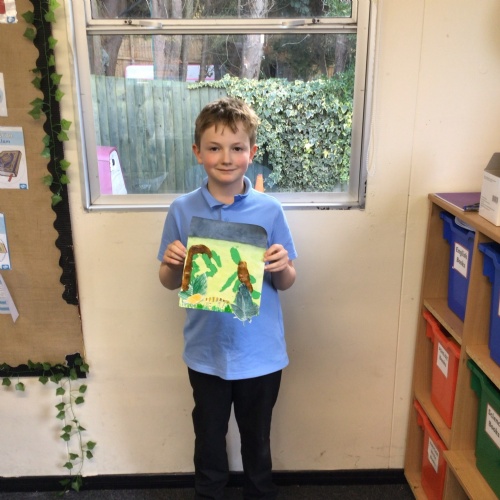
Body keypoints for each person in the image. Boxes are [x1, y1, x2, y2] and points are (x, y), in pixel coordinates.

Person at [158, 97, 297, 500]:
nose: (226, 158)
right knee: (208, 439)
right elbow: (169, 281)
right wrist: (171, 263)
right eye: (214, 148)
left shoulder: (270, 211)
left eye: (237, 148)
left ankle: (260, 493)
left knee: (257, 440)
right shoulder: (182, 210)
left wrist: (282, 265)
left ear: (252, 153)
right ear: (197, 152)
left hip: (260, 353)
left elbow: (287, 281)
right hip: (206, 353)